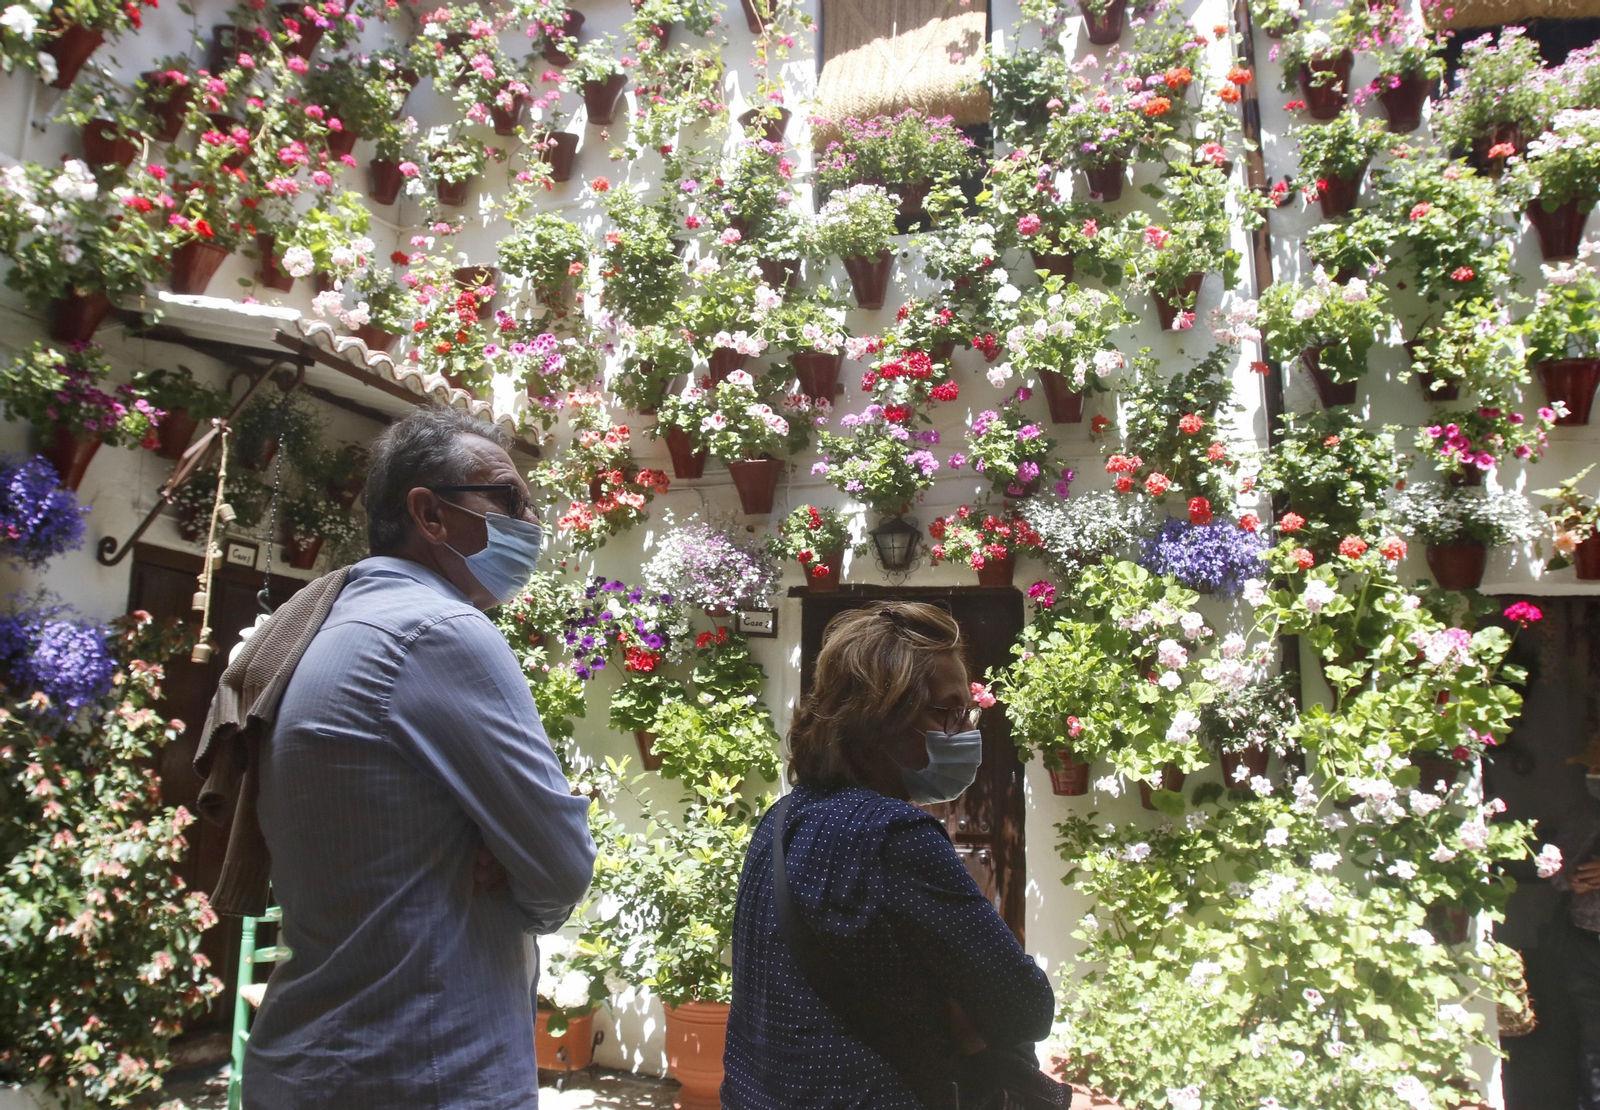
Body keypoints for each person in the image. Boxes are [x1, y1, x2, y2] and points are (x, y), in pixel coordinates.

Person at [239, 407, 595, 1109]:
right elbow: (560, 865)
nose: (531, 521)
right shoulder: (440, 630)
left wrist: (501, 844)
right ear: (429, 514)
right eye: (509, 499)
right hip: (420, 1068)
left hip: (314, 1062)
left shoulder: (328, 622)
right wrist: (508, 854)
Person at [722, 601, 1059, 1109]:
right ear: (880, 715)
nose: (964, 731)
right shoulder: (894, 835)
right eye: (948, 712)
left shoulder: (781, 820)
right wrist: (959, 1016)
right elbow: (1024, 1008)